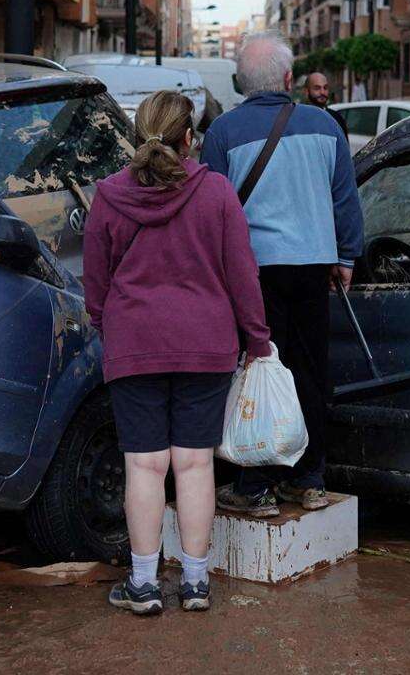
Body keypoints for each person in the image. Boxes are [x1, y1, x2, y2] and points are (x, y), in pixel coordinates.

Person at [84, 90, 274, 616]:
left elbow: (94, 280)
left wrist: (107, 322)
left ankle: (143, 585)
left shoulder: (108, 196)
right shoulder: (215, 193)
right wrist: (257, 340)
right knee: (194, 466)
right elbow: (243, 275)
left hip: (134, 343)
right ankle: (195, 583)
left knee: (143, 466)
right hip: (205, 344)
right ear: (190, 138)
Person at [200, 32, 362, 516]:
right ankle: (309, 479)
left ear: (240, 83)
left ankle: (255, 485)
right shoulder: (325, 126)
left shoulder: (223, 133)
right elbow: (345, 199)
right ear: (290, 79)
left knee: (258, 369)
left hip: (253, 273)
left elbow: (212, 210)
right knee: (310, 372)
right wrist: (346, 257)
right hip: (314, 267)